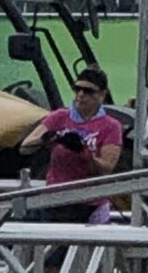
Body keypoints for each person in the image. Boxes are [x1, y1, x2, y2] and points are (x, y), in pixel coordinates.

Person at [20, 66, 122, 225]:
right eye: (78, 89)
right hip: (56, 199)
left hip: (91, 202)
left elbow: (107, 167)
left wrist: (83, 152)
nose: (81, 95)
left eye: (88, 91)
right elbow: (25, 147)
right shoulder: (59, 117)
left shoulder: (110, 126)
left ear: (102, 95)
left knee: (92, 247)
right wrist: (50, 138)